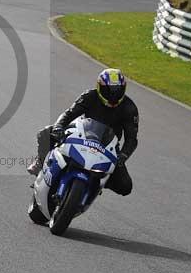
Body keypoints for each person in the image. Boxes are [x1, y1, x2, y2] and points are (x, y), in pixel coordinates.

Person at [26, 68, 139, 196]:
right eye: (108, 91)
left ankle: (98, 183)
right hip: (81, 134)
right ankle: (41, 163)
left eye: (117, 91)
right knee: (45, 133)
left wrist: (123, 156)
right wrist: (59, 126)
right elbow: (69, 113)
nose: (112, 95)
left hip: (108, 147)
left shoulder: (129, 108)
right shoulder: (89, 96)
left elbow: (131, 139)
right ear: (99, 87)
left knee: (125, 186)